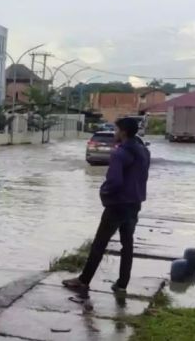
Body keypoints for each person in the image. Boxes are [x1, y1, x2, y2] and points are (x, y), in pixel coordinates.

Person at [63, 117, 150, 294]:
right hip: (135, 203)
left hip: (117, 204)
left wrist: (104, 192)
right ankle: (122, 284)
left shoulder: (119, 153)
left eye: (116, 130)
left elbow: (114, 181)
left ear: (124, 132)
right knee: (127, 244)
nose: (114, 133)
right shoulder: (144, 152)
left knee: (99, 244)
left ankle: (83, 280)